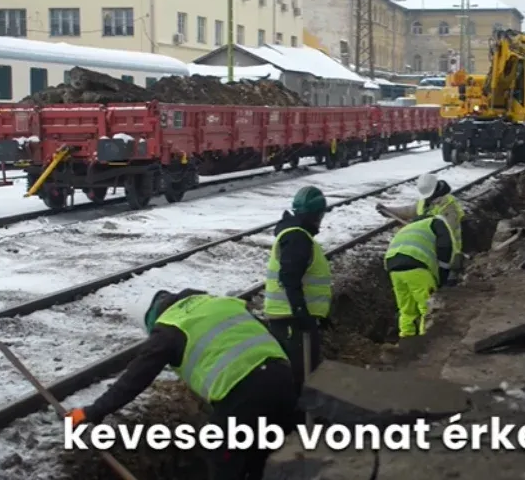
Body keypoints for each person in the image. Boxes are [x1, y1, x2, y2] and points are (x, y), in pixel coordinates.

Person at [65, 289, 298, 480]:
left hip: (245, 391)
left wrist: (91, 412)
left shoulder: (168, 328)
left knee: (223, 456)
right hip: (284, 377)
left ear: (153, 318)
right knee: (263, 455)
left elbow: (134, 379)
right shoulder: (217, 302)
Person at [263, 185, 332, 392]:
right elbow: (289, 277)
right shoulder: (297, 238)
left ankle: (299, 418)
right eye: (320, 215)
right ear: (315, 215)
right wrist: (301, 312)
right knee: (300, 376)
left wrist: (319, 314)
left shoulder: (296, 235)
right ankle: (298, 421)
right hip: (291, 320)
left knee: (300, 374)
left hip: (290, 318)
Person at [383, 214, 460, 338]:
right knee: (427, 307)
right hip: (417, 265)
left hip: (393, 266)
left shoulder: (409, 228)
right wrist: (443, 275)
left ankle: (406, 337)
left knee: (406, 308)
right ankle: (427, 339)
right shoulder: (436, 223)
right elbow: (445, 247)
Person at [376, 173, 465, 257]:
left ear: (435, 189)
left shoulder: (448, 205)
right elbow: (409, 210)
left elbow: (447, 229)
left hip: (448, 249)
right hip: (429, 248)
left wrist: (423, 224)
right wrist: (389, 211)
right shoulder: (425, 201)